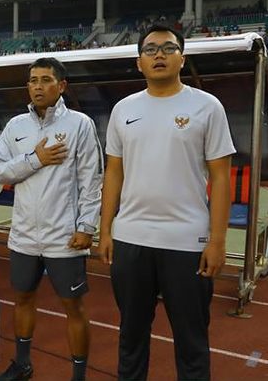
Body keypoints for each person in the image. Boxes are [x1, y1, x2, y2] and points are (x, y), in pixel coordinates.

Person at [98, 24, 235, 381]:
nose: (159, 54)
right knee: (131, 337)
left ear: (182, 58)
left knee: (191, 343)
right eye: (151, 49)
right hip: (131, 240)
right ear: (139, 62)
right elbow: (113, 172)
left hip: (187, 242)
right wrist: (105, 229)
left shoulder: (207, 107)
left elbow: (221, 177)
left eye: (168, 48)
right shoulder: (123, 109)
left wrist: (217, 241)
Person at [0, 57, 103, 381]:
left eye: (45, 80)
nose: (37, 86)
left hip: (64, 237)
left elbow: (92, 180)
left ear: (61, 85)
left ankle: (78, 377)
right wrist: (34, 159)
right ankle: (23, 364)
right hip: (24, 234)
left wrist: (86, 226)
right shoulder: (15, 127)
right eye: (33, 80)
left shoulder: (80, 124)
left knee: (73, 307)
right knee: (22, 298)